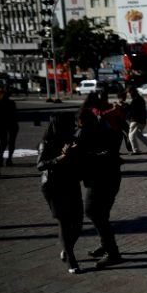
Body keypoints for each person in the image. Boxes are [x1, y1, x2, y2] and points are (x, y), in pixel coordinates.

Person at [76, 108, 124, 269]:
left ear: (81, 121)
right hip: (110, 177)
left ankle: (113, 252)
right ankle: (106, 245)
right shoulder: (103, 129)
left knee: (93, 212)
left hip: (100, 179)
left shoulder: (87, 133)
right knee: (101, 213)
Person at [37, 112, 84, 274]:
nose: (74, 126)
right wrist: (60, 158)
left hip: (71, 182)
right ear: (60, 125)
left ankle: (66, 248)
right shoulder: (47, 142)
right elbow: (40, 165)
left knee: (78, 222)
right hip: (53, 185)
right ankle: (71, 258)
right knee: (64, 221)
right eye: (70, 124)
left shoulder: (73, 140)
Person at [126, 86, 147, 155]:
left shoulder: (136, 99)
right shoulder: (139, 98)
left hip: (136, 120)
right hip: (141, 120)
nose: (127, 94)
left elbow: (132, 110)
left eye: (128, 93)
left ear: (131, 92)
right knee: (139, 135)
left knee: (131, 135)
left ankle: (136, 151)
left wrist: (125, 106)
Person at [0, 88, 19, 168]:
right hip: (12, 124)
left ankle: (1, 158)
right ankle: (9, 159)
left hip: (2, 125)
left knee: (3, 142)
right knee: (11, 142)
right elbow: (15, 114)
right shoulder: (11, 103)